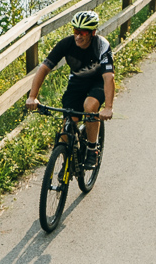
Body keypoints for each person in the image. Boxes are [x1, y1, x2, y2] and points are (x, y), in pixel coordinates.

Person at [26, 9, 114, 166]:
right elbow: (44, 69)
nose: (78, 36)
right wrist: (32, 97)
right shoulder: (66, 44)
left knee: (90, 106)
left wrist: (108, 107)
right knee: (68, 124)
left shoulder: (102, 45)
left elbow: (108, 78)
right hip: (77, 83)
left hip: (97, 82)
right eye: (75, 31)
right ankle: (66, 163)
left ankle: (92, 149)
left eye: (83, 33)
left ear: (92, 33)